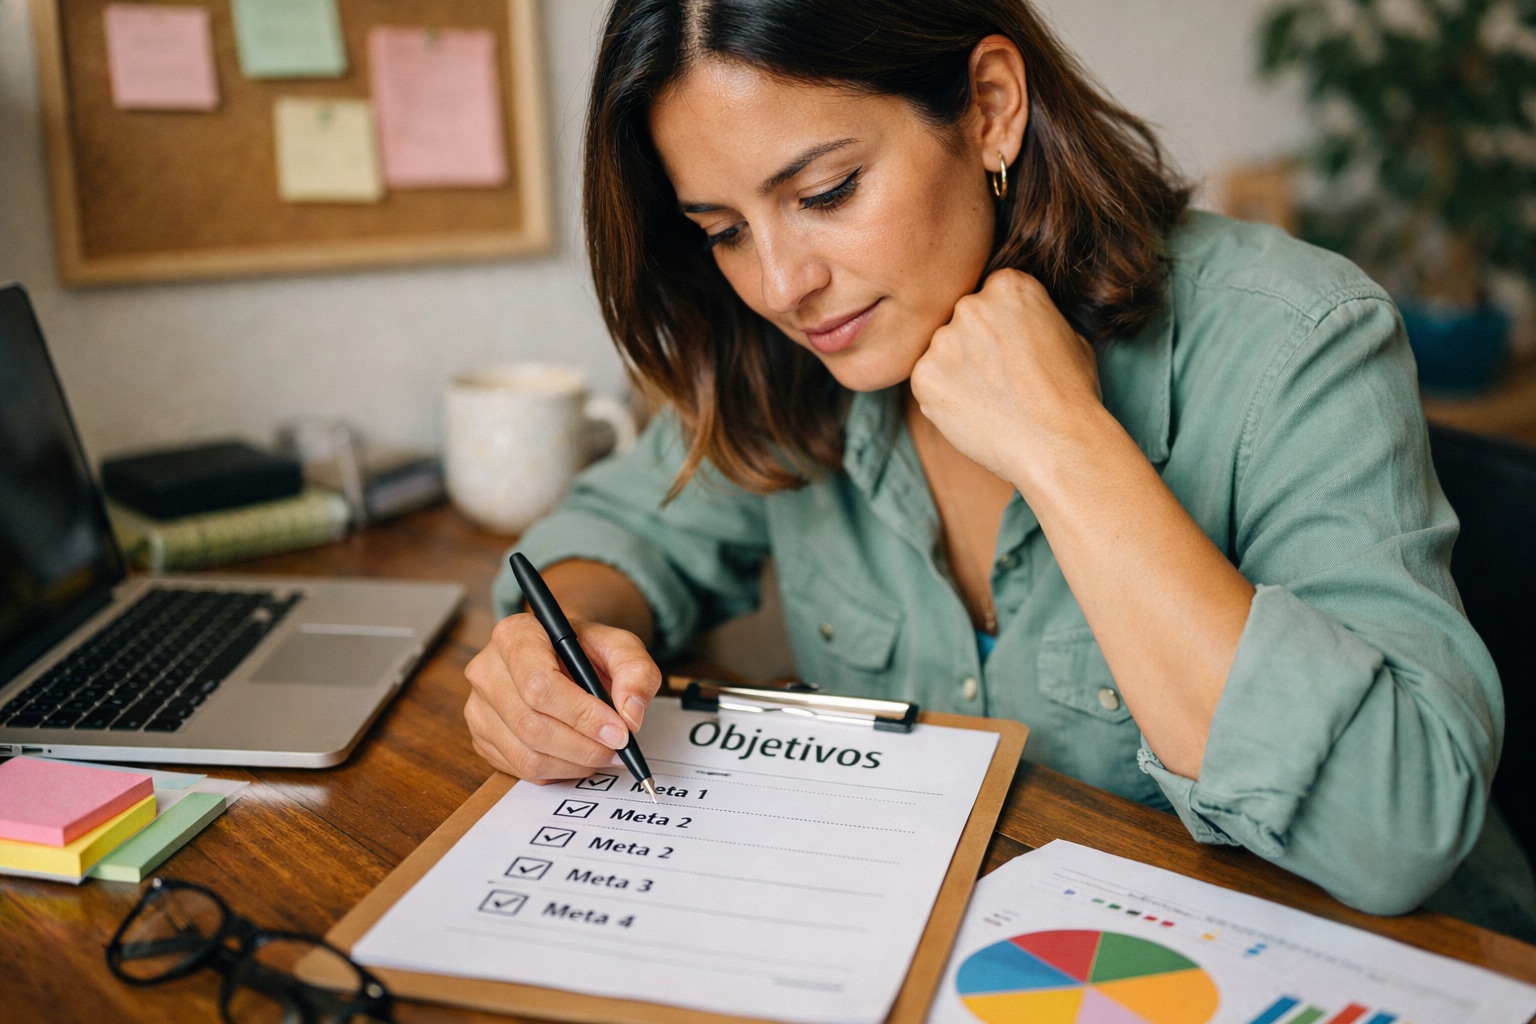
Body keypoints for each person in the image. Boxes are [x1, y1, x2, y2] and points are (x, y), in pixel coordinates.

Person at [464, 0, 1536, 936]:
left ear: (988, 107)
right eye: (724, 230)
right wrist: (557, 637)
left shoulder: (1299, 337)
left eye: (827, 191)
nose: (784, 283)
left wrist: (1064, 444)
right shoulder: (789, 365)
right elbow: (624, 529)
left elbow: (1399, 830)